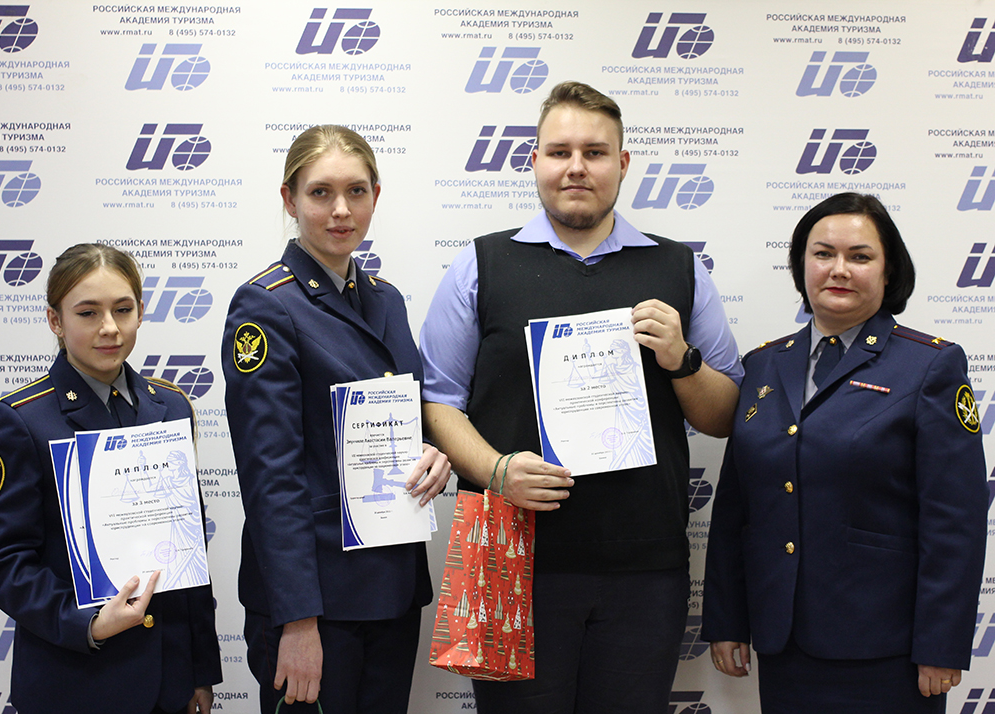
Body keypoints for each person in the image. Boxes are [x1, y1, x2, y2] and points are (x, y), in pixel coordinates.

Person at [418, 80, 742, 713]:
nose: (576, 167)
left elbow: (726, 413)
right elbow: (437, 402)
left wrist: (681, 360)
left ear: (622, 163)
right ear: (534, 160)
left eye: (594, 153)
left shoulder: (678, 269)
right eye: (559, 151)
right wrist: (497, 470)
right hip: (509, 557)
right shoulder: (481, 265)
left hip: (645, 568)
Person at [702, 192, 988, 713]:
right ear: (800, 265)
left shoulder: (930, 367)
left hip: (887, 648)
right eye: (822, 254)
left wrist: (941, 645)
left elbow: (955, 520)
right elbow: (736, 508)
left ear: (888, 269)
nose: (839, 269)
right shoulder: (764, 364)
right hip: (784, 642)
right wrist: (727, 618)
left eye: (859, 256)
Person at [222, 124, 451, 713]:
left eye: (356, 191)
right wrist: (297, 620)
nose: (341, 210)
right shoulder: (266, 306)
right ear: (289, 199)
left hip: (392, 590)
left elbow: (405, 419)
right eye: (321, 192)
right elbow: (271, 478)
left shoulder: (385, 299)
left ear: (376, 195)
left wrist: (433, 453)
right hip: (316, 605)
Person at [0, 243, 222, 714]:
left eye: (122, 309)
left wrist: (201, 673)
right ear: (55, 321)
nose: (109, 327)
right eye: (88, 313)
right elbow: (2, 559)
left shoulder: (171, 407)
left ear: (140, 312)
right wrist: (86, 622)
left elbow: (189, 555)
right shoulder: (24, 419)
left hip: (170, 684)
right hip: (76, 681)